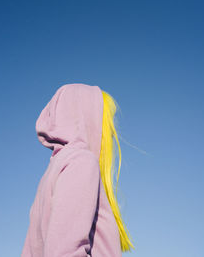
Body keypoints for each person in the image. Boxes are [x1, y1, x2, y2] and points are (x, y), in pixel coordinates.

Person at [21, 83, 134, 257]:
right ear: (86, 119)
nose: (112, 132)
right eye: (106, 120)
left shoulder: (52, 173)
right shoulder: (81, 162)